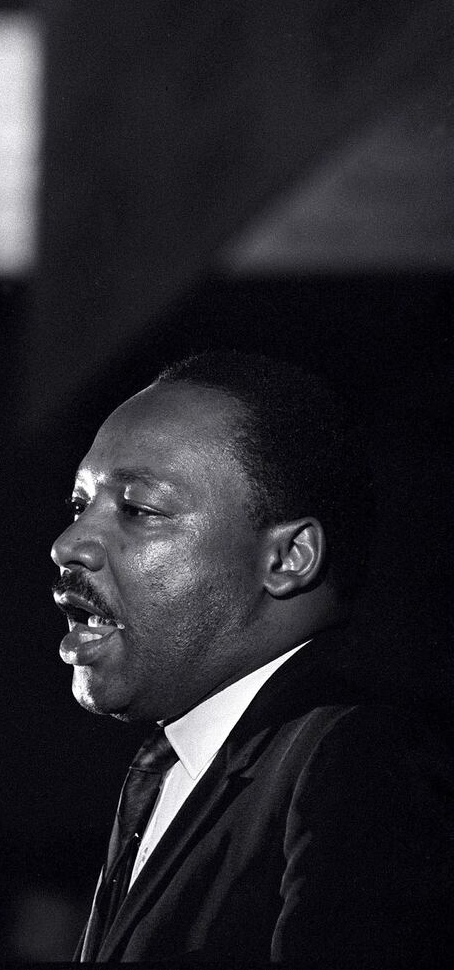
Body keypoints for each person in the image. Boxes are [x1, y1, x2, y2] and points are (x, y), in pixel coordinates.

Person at [51, 351, 452, 964]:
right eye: (82, 506)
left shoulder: (363, 758)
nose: (69, 543)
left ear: (288, 559)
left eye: (138, 509)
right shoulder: (176, 763)